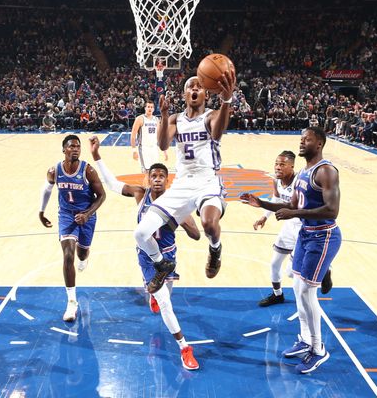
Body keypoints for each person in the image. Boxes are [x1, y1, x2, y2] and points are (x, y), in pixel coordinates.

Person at [89, 135, 201, 370]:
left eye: (161, 176)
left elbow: (196, 235)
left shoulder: (175, 203)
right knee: (165, 303)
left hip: (168, 257)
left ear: (168, 181)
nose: (157, 179)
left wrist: (183, 217)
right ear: (148, 179)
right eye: (154, 176)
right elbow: (112, 184)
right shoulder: (140, 194)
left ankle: (153, 294)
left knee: (165, 296)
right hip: (148, 259)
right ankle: (184, 348)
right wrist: (97, 156)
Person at [240, 126, 341, 374]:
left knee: (307, 291)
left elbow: (332, 210)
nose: (302, 142)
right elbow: (291, 204)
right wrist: (261, 203)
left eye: (307, 139)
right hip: (306, 234)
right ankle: (305, 339)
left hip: (323, 236)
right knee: (297, 288)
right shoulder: (303, 173)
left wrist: (294, 213)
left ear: (319, 144)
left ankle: (318, 349)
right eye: (301, 139)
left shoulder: (326, 171)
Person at [134, 69, 236, 294]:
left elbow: (218, 133)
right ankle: (162, 264)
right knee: (140, 233)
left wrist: (226, 101)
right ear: (184, 94)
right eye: (191, 86)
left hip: (207, 181)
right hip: (181, 184)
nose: (195, 89)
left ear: (206, 94)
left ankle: (215, 249)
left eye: (199, 86)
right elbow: (163, 145)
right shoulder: (175, 119)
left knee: (209, 224)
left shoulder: (211, 115)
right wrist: (163, 114)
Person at [251, 151, 333, 307]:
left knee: (290, 272)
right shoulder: (276, 181)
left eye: (282, 165)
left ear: (292, 166)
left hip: (303, 228)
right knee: (274, 264)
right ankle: (277, 295)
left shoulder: (300, 181)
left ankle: (325, 269)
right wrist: (264, 217)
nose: (278, 167)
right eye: (276, 164)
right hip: (289, 227)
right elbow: (276, 199)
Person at [39, 135, 106, 322]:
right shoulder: (54, 171)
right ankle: (71, 302)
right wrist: (41, 212)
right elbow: (46, 190)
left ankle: (84, 256)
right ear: (64, 149)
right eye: (71, 146)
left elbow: (102, 195)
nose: (75, 149)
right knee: (68, 255)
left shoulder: (88, 170)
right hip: (66, 216)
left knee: (81, 254)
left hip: (86, 215)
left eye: (78, 146)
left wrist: (87, 214)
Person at [130, 101, 167, 172]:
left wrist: (164, 151)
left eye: (151, 107)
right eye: (148, 107)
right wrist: (134, 150)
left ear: (154, 109)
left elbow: (159, 136)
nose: (150, 108)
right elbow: (133, 135)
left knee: (155, 171)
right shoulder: (140, 119)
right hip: (144, 149)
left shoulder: (156, 120)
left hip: (154, 148)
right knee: (146, 172)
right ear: (145, 108)